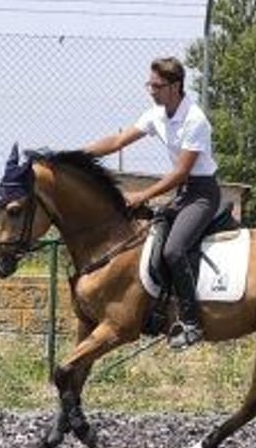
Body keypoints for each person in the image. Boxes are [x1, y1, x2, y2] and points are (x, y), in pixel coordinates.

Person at [84, 56, 220, 350]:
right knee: (146, 240)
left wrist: (142, 196)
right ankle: (158, 312)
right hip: (184, 194)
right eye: (150, 84)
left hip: (202, 195)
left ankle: (193, 322)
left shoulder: (195, 120)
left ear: (175, 86)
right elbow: (118, 141)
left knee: (173, 250)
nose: (151, 90)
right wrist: (78, 155)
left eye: (157, 85)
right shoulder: (156, 114)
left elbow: (182, 172)